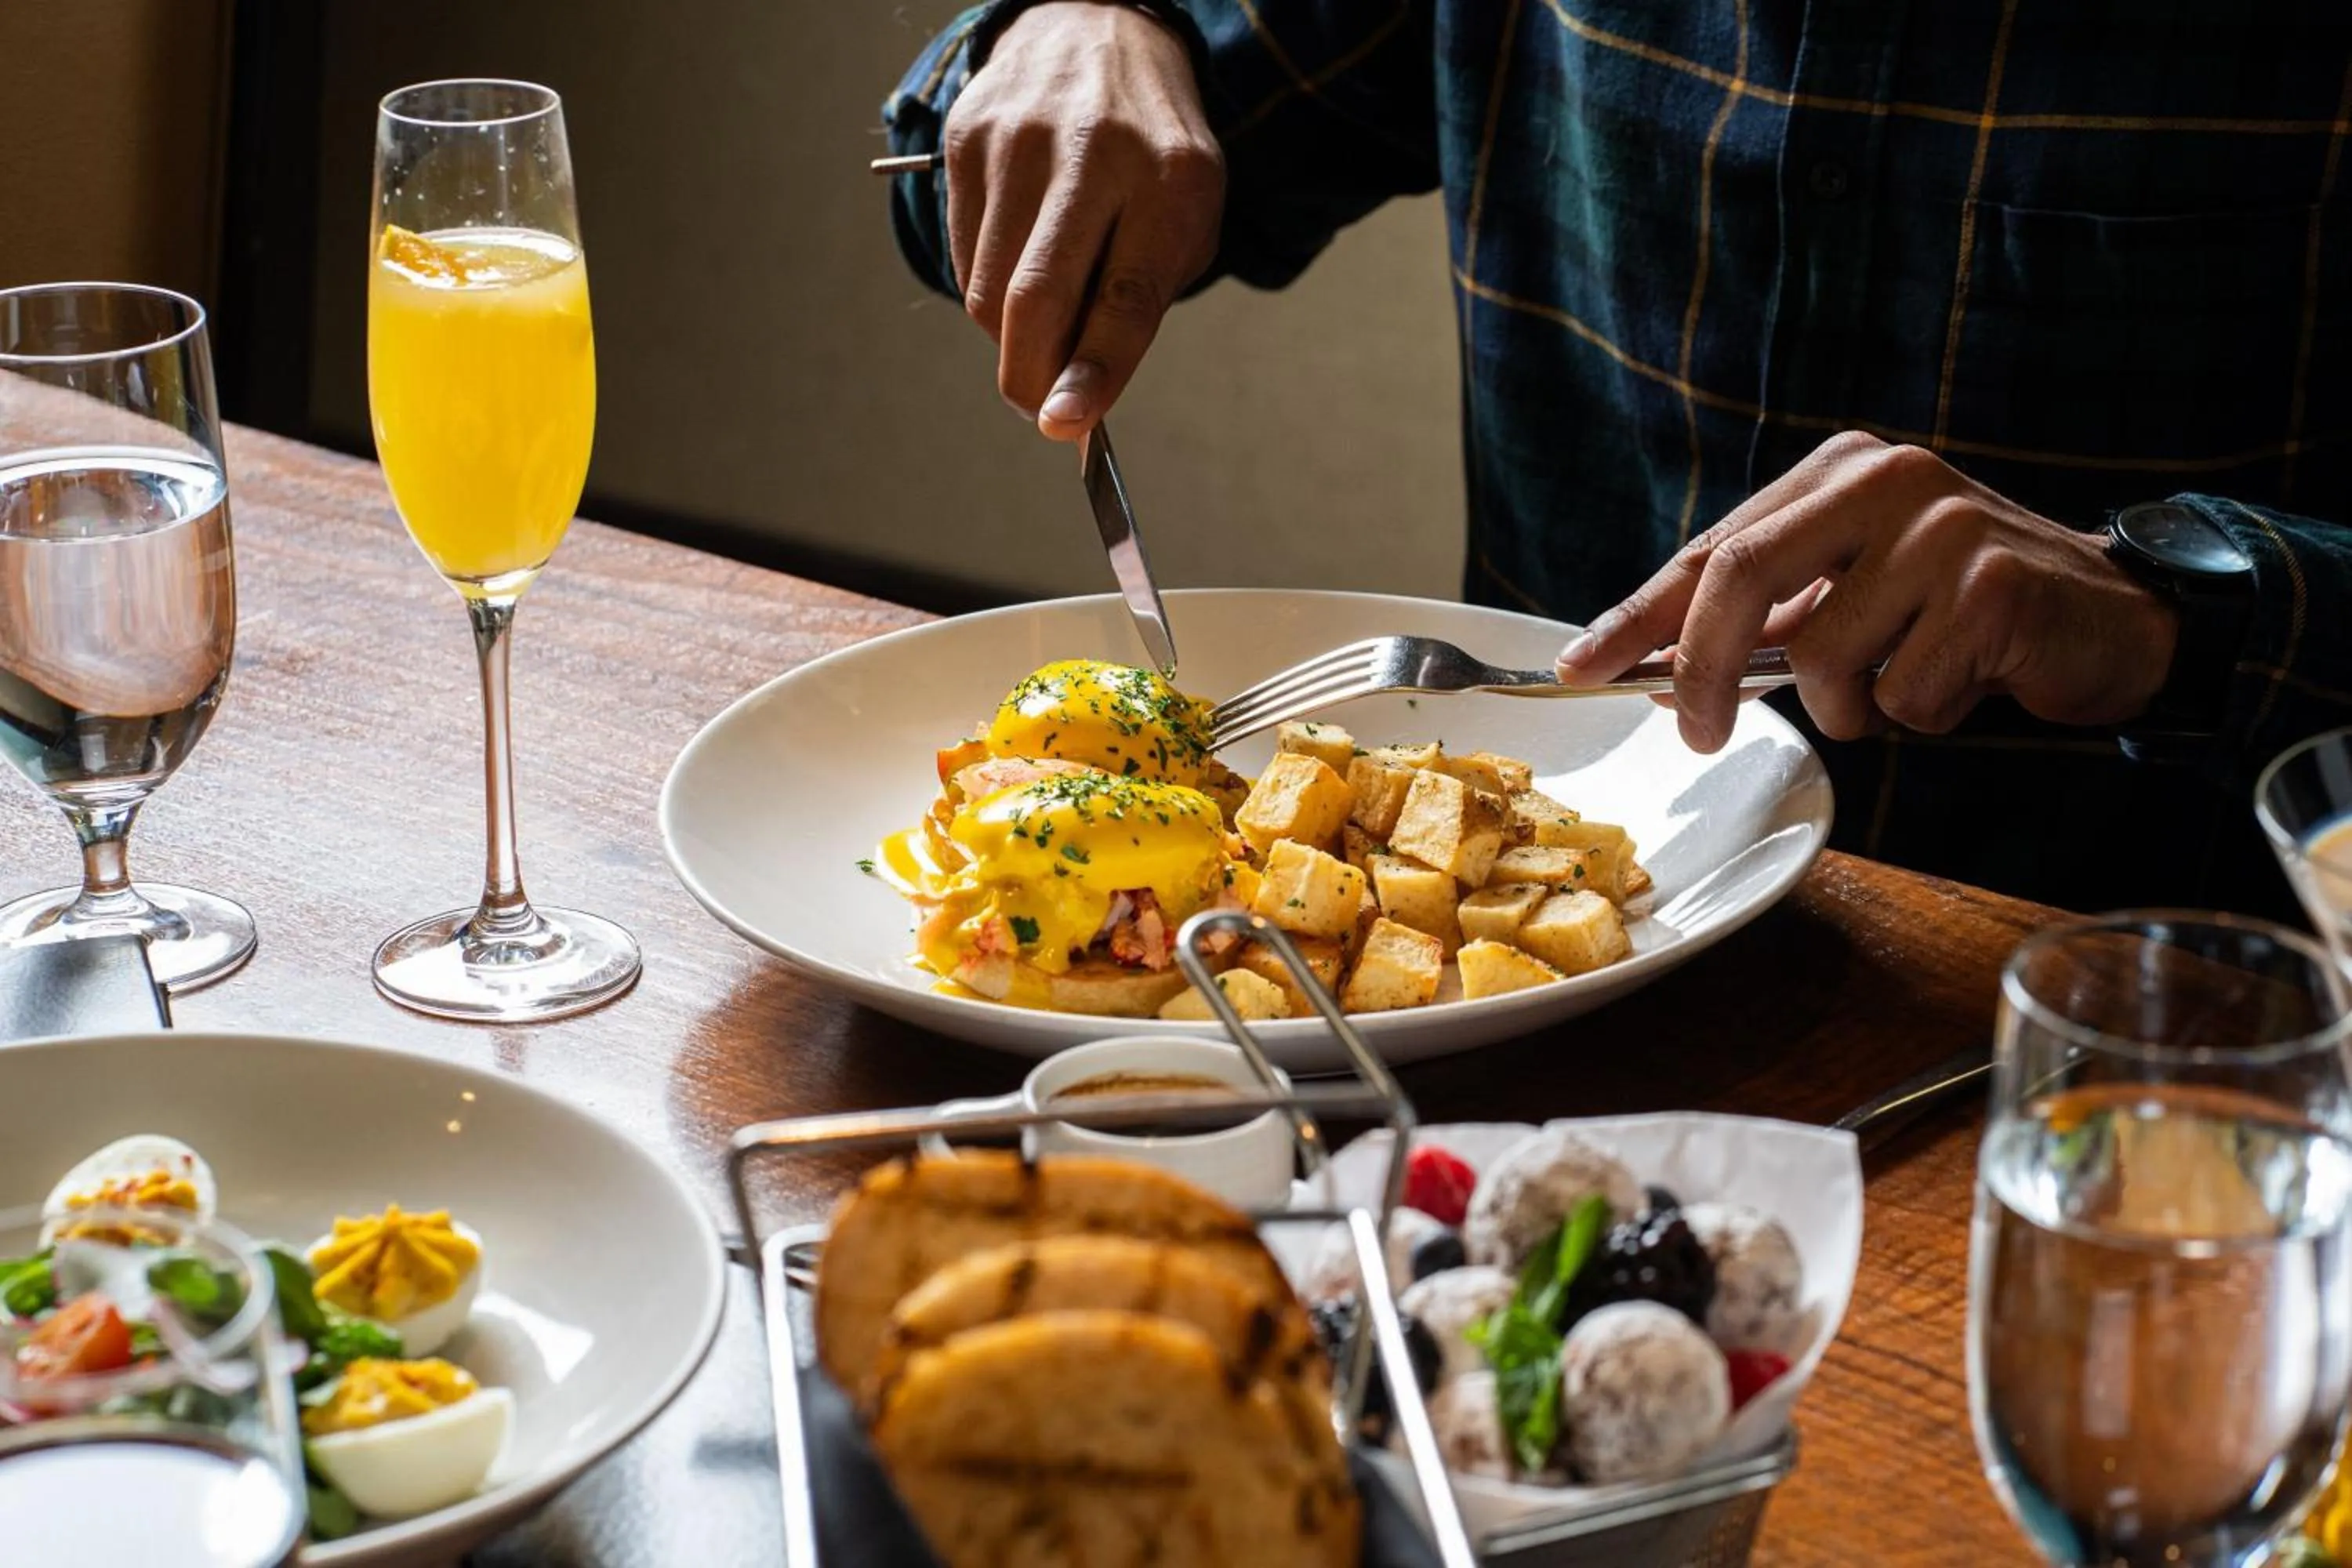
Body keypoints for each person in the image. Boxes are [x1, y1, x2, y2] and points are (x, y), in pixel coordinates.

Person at [881, 1, 2352, 916]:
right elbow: (1000, 163)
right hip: (1533, 1029)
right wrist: (1072, 28)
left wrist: (2174, 609)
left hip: (2166, 1022)